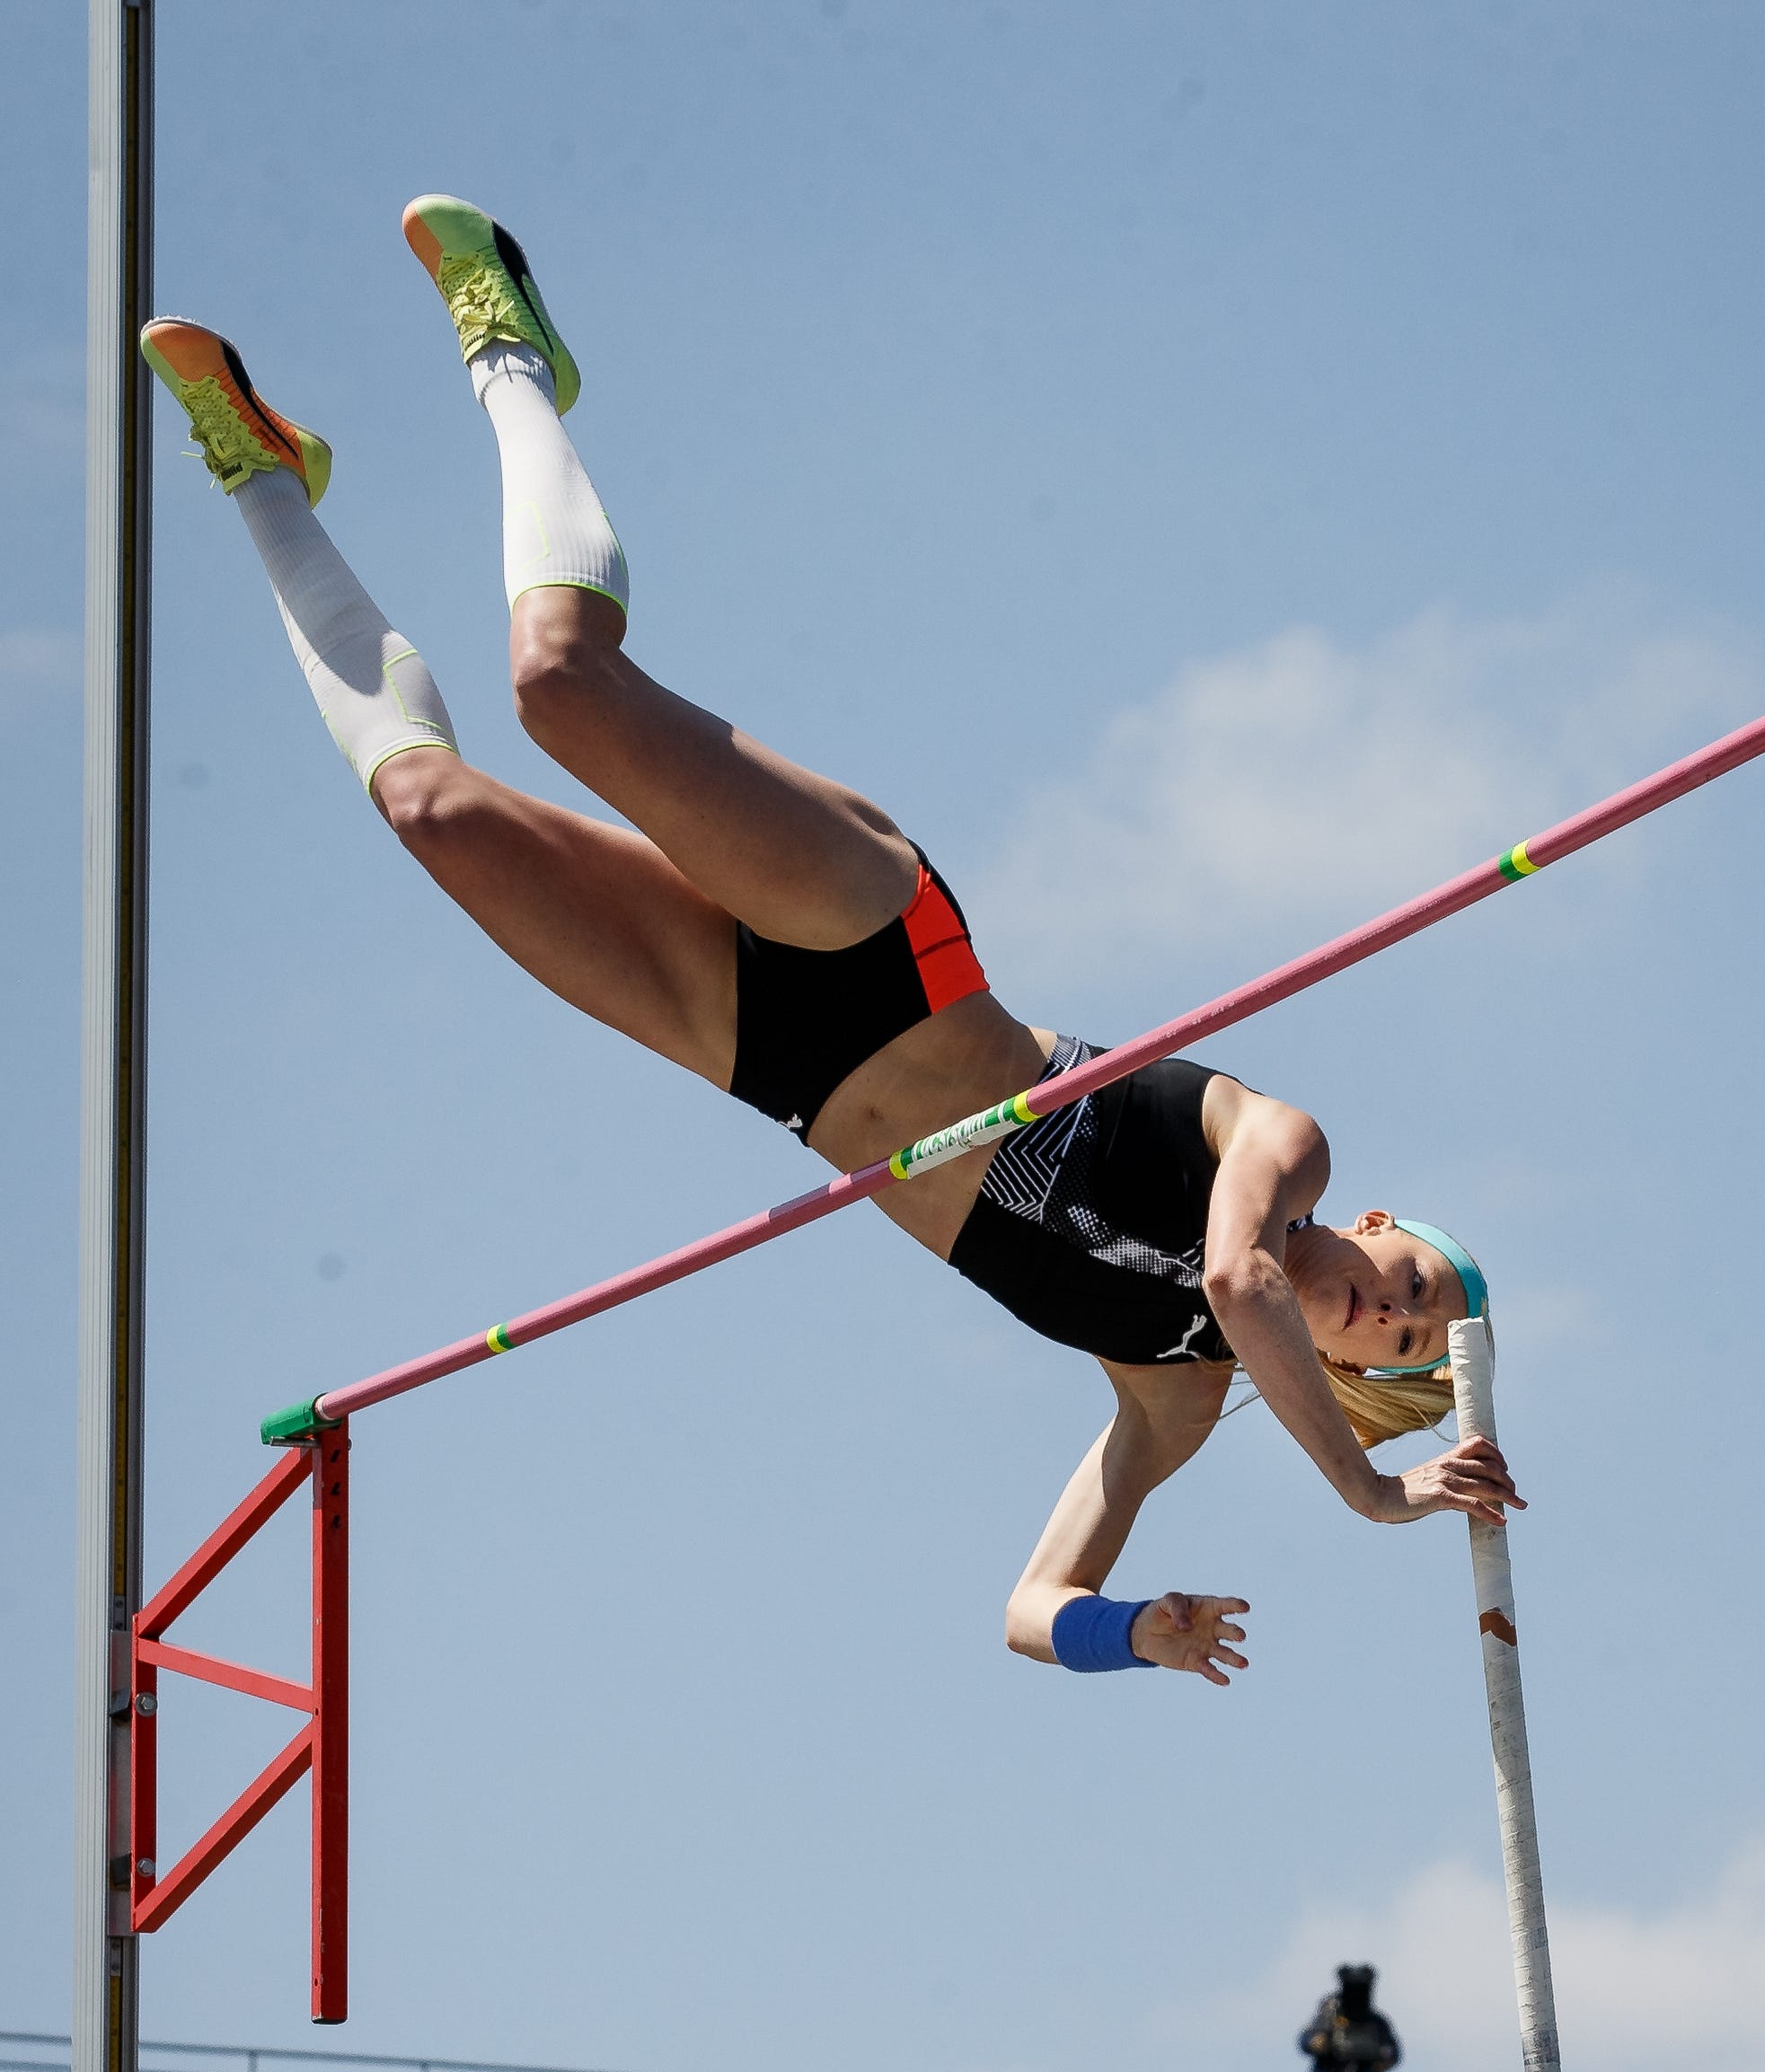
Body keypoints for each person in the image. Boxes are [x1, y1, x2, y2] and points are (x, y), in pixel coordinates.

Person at [141, 199, 1522, 1685]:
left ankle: (265, 483)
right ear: (1379, 1229)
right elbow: (1245, 1280)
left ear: (1361, 1376)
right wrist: (1372, 1498)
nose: (1394, 1313)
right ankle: (512, 359)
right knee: (558, 684)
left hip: (774, 1069)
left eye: (1400, 1346)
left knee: (430, 809)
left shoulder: (1170, 1402)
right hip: (881, 949)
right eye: (1418, 1285)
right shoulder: (1285, 1145)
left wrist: (1140, 1632)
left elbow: (1028, 1610)